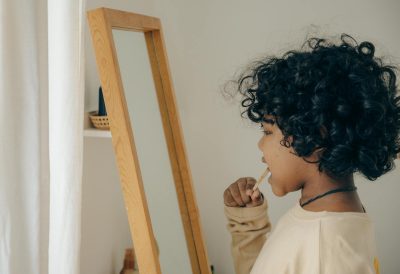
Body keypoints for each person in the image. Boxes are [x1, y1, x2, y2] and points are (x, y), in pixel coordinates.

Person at [222, 33, 400, 274]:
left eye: (267, 131)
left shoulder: (325, 252)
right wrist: (247, 224)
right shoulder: (322, 220)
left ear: (315, 136)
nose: (260, 146)